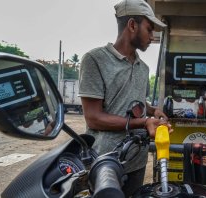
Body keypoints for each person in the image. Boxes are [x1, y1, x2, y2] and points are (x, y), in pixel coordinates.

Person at [78, 0, 171, 197]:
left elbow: (135, 101)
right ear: (132, 25)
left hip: (136, 160)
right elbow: (93, 117)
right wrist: (144, 122)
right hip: (106, 163)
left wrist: (153, 111)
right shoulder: (95, 60)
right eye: (149, 29)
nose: (152, 36)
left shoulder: (143, 68)